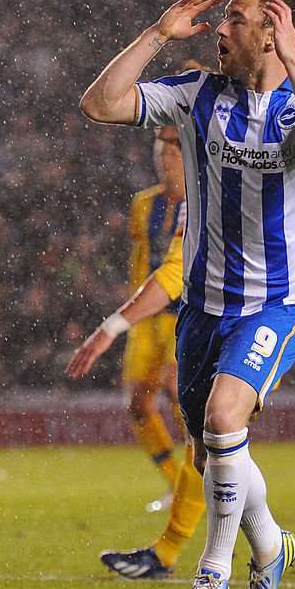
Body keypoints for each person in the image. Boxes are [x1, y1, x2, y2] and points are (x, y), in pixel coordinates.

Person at [79, 0, 295, 589]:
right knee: (212, 452)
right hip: (203, 306)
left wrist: (293, 58)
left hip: (282, 300)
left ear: (272, 32)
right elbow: (99, 103)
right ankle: (272, 545)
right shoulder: (197, 95)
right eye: (224, 17)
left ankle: (213, 572)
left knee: (228, 415)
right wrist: (155, 35)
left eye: (237, 19)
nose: (221, 28)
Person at [66, 213, 295, 582]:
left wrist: (112, 326)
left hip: (270, 307)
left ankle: (179, 555)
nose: (164, 162)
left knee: (215, 430)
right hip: (285, 292)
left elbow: (176, 272)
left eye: (169, 153)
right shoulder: (209, 182)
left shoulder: (212, 178)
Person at [120, 122, 187, 513]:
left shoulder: (201, 200)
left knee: (180, 391)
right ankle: (176, 484)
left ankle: (205, 477)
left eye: (173, 154)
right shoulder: (143, 204)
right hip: (147, 316)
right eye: (161, 155)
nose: (165, 162)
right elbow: (139, 256)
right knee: (137, 404)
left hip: (183, 315)